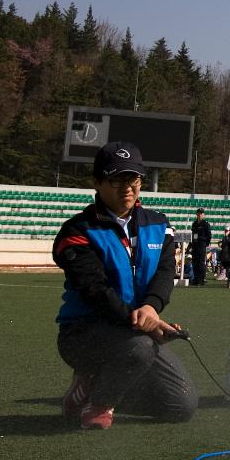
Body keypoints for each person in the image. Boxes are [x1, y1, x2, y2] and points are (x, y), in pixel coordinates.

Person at [53, 142, 197, 430]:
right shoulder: (77, 230)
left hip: (136, 331)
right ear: (97, 182)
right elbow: (94, 290)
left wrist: (151, 307)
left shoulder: (159, 224)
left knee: (180, 405)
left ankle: (100, 387)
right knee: (141, 347)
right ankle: (98, 405)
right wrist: (143, 322)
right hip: (83, 333)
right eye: (116, 179)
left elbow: (166, 271)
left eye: (134, 179)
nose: (128, 187)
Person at [189, 207, 212, 286]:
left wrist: (206, 244)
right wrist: (190, 245)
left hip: (202, 244)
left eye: (201, 214)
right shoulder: (194, 223)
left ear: (203, 215)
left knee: (201, 262)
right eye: (198, 213)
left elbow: (209, 236)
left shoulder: (205, 224)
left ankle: (202, 279)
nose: (199, 215)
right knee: (194, 262)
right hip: (195, 244)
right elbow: (192, 235)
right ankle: (196, 278)